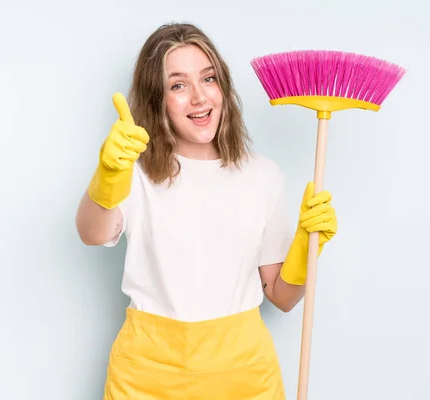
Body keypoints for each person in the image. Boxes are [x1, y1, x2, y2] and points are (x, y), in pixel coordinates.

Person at [75, 22, 337, 400]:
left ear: (223, 88)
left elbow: (282, 296)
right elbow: (92, 233)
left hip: (244, 376)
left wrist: (306, 247)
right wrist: (109, 176)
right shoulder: (135, 170)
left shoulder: (262, 175)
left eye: (208, 79)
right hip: (148, 375)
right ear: (156, 98)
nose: (199, 98)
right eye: (178, 85)